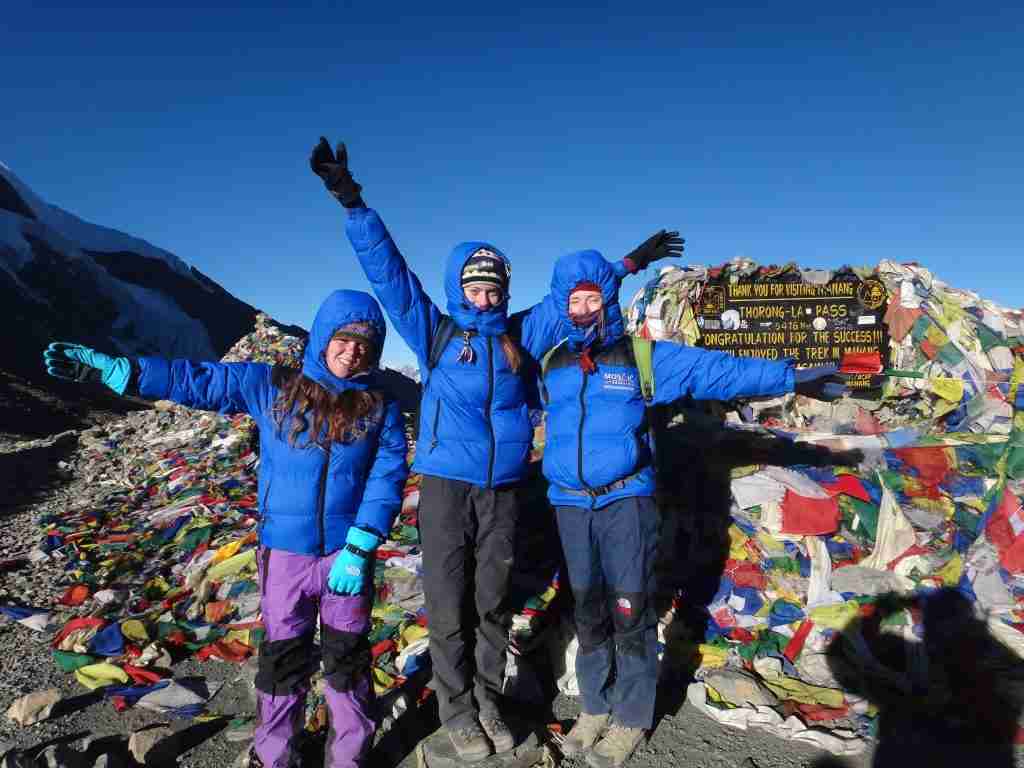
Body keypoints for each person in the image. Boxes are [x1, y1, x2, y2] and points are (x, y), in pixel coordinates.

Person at [309, 137, 683, 762]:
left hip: (504, 491)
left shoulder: (521, 334)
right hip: (447, 490)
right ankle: (457, 711)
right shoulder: (436, 331)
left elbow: (577, 306)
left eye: (494, 288)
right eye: (476, 288)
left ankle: (485, 699)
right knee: (447, 606)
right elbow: (389, 273)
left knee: (491, 606)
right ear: (460, 289)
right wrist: (353, 203)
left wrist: (624, 266)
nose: (486, 298)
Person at [42, 290, 410, 768]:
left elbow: (387, 476)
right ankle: (276, 757)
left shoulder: (379, 406)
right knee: (282, 661)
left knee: (349, 662)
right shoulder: (272, 386)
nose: (353, 350)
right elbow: (200, 380)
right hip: (286, 558)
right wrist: (127, 372)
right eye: (344, 338)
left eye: (366, 343)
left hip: (347, 557)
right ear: (323, 337)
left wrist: (362, 544)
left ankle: (350, 758)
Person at [538, 250, 848, 768]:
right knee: (588, 609)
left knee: (630, 609)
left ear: (606, 300)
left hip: (626, 505)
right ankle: (594, 707)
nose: (585, 307)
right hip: (570, 507)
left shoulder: (640, 357)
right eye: (575, 299)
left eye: (593, 296)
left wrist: (790, 378)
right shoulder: (553, 364)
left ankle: (631, 720)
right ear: (562, 306)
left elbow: (717, 372)